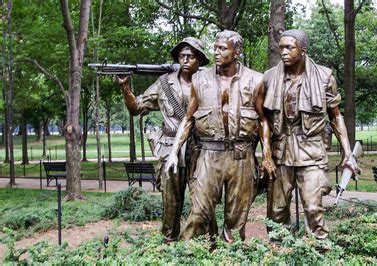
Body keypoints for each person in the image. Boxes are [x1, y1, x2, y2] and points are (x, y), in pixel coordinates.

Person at [165, 30, 276, 242]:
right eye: (215, 47)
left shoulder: (256, 80)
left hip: (242, 157)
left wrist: (267, 154)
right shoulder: (200, 79)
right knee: (199, 212)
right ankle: (186, 255)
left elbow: (263, 119)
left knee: (236, 220)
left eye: (222, 48)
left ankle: (230, 258)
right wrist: (174, 152)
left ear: (237, 51)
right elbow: (188, 119)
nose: (216, 52)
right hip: (209, 156)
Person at [256, 29, 359, 240]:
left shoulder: (324, 76)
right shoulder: (268, 78)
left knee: (313, 209)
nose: (283, 52)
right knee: (276, 210)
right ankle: (278, 253)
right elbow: (262, 118)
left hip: (311, 150)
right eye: (281, 47)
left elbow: (336, 116)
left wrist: (347, 153)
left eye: (289, 47)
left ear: (302, 50)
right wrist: (266, 155)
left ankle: (319, 252)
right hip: (280, 152)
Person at [117, 37, 210, 242]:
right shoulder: (163, 83)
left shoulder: (208, 82)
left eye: (191, 56)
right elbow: (136, 108)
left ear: (200, 60)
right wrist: (126, 89)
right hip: (171, 151)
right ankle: (169, 244)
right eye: (181, 55)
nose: (185, 59)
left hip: (201, 150)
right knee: (171, 204)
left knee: (203, 202)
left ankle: (204, 244)